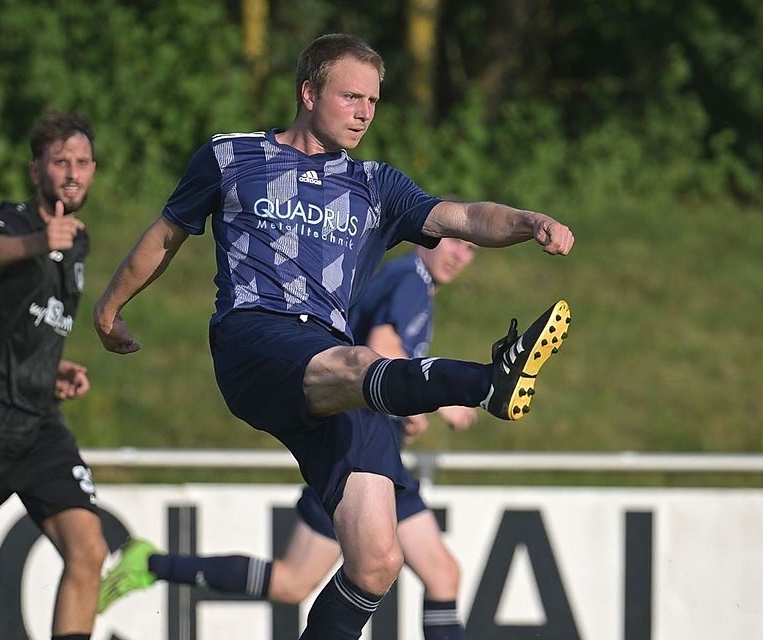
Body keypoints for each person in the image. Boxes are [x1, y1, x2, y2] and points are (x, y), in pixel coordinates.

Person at [93, 33, 573, 640]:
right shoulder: (229, 156)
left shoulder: (376, 185)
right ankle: (488, 380)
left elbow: (466, 216)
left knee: (378, 562)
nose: (365, 112)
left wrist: (529, 221)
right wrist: (109, 308)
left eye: (374, 100)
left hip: (336, 373)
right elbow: (166, 235)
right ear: (308, 91)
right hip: (256, 342)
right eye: (352, 96)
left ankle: (487, 381)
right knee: (357, 361)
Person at [96, 238, 480, 640]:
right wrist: (432, 401)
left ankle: (153, 563)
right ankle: (152, 563)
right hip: (357, 453)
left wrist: (405, 410)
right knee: (293, 583)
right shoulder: (411, 279)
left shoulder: (410, 282)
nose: (459, 255)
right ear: (429, 239)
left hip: (379, 452)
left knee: (441, 574)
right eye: (454, 241)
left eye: (471, 250)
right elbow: (383, 347)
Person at [0, 112, 108, 640]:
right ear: (35, 169)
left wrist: (53, 364)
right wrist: (39, 241)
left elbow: (33, 320)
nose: (73, 172)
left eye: (83, 162)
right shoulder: (16, 221)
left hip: (40, 425)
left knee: (89, 549)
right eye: (61, 161)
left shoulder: (79, 243)